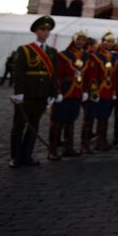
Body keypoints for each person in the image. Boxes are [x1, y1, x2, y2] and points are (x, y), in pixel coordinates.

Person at [9, 15, 58, 168]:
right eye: (42, 29)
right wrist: (18, 92)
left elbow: (53, 74)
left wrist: (52, 93)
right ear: (36, 31)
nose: (45, 32)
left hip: (41, 94)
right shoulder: (24, 49)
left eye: (47, 30)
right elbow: (18, 72)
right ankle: (15, 157)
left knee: (34, 125)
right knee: (19, 125)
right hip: (27, 93)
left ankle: (27, 155)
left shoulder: (52, 52)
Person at [49, 29, 92, 158]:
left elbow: (87, 76)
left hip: (77, 92)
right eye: (78, 39)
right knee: (57, 120)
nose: (80, 42)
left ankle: (69, 148)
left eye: (83, 40)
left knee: (71, 120)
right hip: (65, 90)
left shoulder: (86, 57)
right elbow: (56, 75)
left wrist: (85, 90)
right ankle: (52, 150)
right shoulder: (63, 55)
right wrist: (57, 92)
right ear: (74, 40)